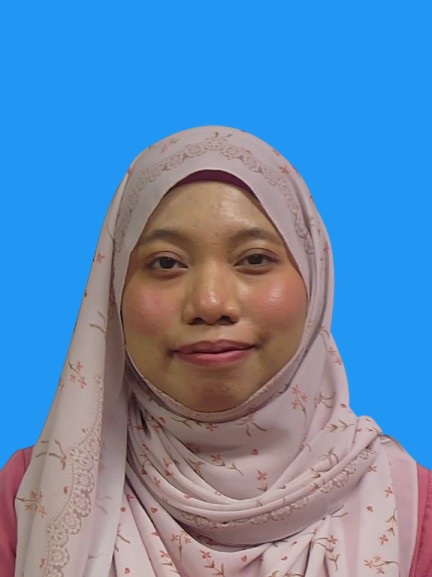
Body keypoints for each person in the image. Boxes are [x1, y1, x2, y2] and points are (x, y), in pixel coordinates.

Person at [1, 126, 430, 577]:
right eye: (166, 263)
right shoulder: (31, 496)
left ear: (315, 282)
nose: (209, 304)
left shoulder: (410, 512)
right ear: (113, 292)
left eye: (255, 259)